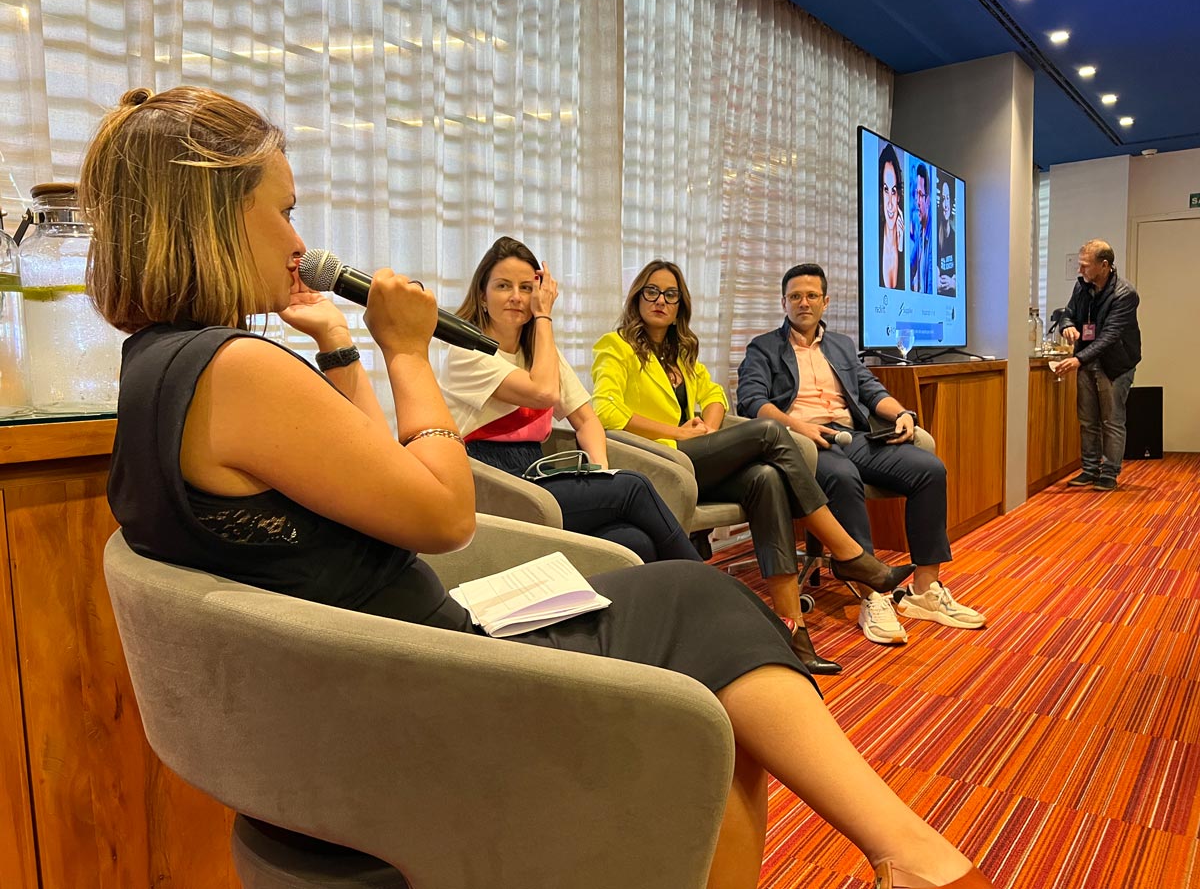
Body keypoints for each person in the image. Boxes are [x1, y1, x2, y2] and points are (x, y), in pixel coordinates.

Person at [83, 85, 991, 889]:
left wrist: (340, 345)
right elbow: (444, 512)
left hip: (366, 680)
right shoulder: (237, 371)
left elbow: (379, 473)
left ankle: (906, 852)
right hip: (428, 684)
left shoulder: (160, 368)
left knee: (694, 606)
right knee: (706, 604)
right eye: (283, 212)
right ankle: (912, 852)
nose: (299, 241)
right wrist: (407, 353)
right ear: (211, 216)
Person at [591, 259, 916, 675]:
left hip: (693, 454)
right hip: (659, 461)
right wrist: (678, 432)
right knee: (769, 431)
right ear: (637, 297)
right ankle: (848, 552)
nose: (660, 301)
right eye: (651, 292)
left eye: (671, 295)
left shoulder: (680, 351)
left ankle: (793, 631)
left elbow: (714, 395)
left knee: (766, 479)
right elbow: (605, 411)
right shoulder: (615, 347)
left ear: (680, 305)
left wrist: (708, 429)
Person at [736, 263, 986, 645]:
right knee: (843, 477)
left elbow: (870, 389)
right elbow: (752, 401)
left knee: (929, 470)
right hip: (803, 443)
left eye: (812, 296)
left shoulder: (840, 345)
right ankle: (873, 594)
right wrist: (798, 426)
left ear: (825, 302)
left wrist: (902, 414)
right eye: (795, 296)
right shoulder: (764, 347)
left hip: (852, 436)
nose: (804, 303)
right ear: (783, 302)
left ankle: (924, 590)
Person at [440, 236, 699, 563]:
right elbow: (543, 392)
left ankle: (674, 591)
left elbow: (587, 420)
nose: (516, 297)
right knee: (633, 486)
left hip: (534, 474)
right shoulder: (467, 351)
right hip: (493, 485)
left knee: (635, 541)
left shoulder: (541, 353)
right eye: (503, 286)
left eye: (526, 287)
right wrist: (544, 317)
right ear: (483, 294)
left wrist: (600, 474)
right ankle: (705, 582)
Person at [1055, 239, 1142, 491]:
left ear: (1104, 265)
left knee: (1111, 420)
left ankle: (1109, 473)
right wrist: (1067, 325)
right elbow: (1068, 313)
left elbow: (1109, 336)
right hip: (1087, 360)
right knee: (1087, 420)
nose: (1079, 270)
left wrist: (1078, 359)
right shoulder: (1082, 286)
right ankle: (1090, 469)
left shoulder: (1125, 294)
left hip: (1115, 364)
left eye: (1085, 265)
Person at [879, 143, 904, 290]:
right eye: (885, 190)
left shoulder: (906, 247)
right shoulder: (873, 241)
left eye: (893, 191)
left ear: (899, 196)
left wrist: (901, 247)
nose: (890, 203)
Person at [909, 163, 933, 294]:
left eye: (920, 195)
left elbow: (930, 288)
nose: (917, 202)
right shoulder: (919, 231)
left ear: (928, 200)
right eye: (915, 195)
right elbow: (911, 266)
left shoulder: (932, 236)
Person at [936, 176, 956, 297]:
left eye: (948, 198)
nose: (945, 205)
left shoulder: (955, 239)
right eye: (943, 199)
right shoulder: (934, 238)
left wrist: (953, 284)